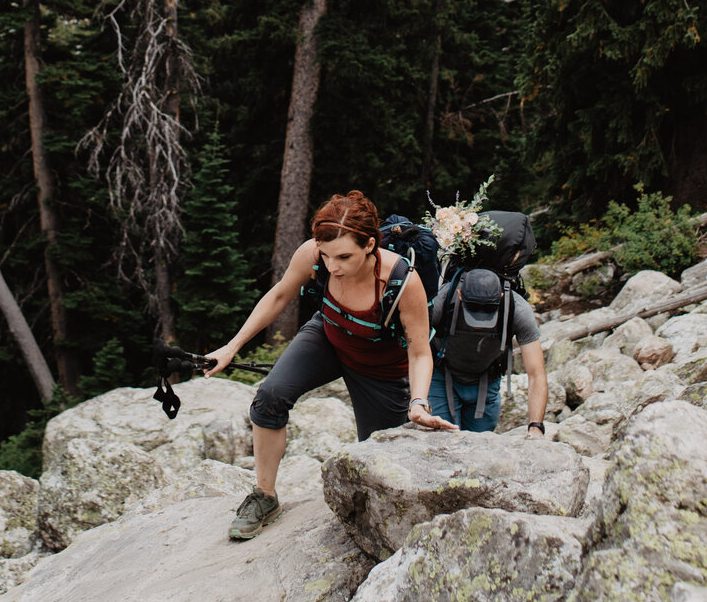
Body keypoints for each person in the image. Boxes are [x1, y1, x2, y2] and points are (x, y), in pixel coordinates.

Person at [205, 189, 456, 540]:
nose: (332, 267)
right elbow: (279, 295)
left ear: (369, 244)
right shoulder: (313, 254)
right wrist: (231, 347)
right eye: (325, 256)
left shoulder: (402, 281)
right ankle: (264, 496)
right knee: (269, 397)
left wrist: (418, 402)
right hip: (328, 336)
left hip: (380, 368)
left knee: (378, 461)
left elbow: (418, 351)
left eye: (343, 256)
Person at [427, 281, 548, 435]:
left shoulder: (517, 309)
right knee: (443, 439)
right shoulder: (441, 301)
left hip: (487, 379)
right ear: (460, 294)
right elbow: (415, 350)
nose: (480, 324)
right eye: (473, 312)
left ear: (501, 297)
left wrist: (536, 427)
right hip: (441, 376)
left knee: (479, 446)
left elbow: (536, 373)